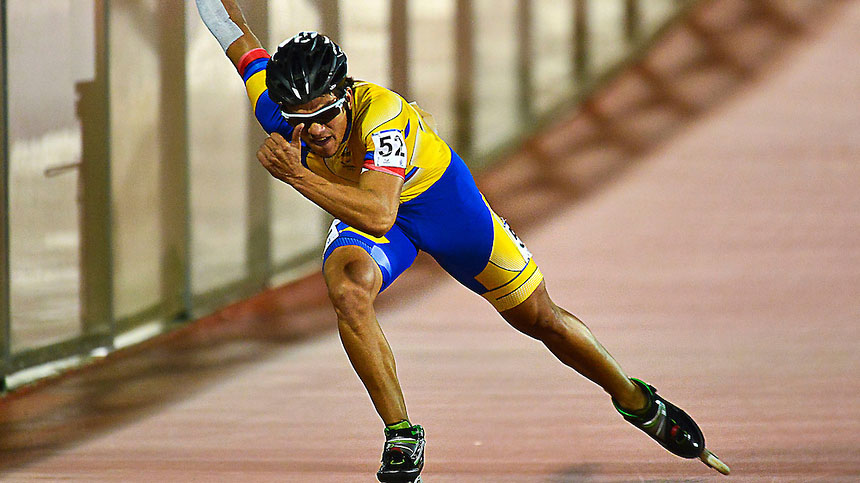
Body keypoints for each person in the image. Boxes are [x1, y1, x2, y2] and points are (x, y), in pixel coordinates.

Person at [195, 1, 728, 480]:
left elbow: (380, 213)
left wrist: (299, 175)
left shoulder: (382, 115)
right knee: (348, 288)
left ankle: (637, 401)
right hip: (374, 210)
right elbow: (232, 29)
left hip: (437, 203)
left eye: (325, 116)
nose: (313, 132)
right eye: (300, 121)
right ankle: (401, 434)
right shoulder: (276, 105)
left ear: (346, 92)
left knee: (539, 318)